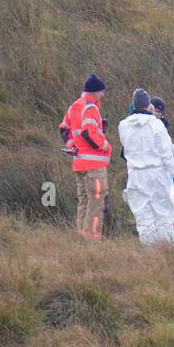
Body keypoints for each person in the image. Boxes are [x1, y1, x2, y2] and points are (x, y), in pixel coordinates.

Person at [119, 88, 174, 245]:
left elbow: (125, 146)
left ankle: (149, 253)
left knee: (143, 216)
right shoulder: (157, 125)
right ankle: (167, 251)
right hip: (156, 173)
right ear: (148, 105)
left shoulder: (123, 125)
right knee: (164, 214)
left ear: (134, 104)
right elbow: (166, 153)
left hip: (135, 175)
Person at [59, 73, 112, 241]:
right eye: (102, 91)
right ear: (94, 91)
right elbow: (88, 133)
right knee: (96, 202)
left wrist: (72, 145)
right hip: (94, 166)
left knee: (83, 201)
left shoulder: (74, 106)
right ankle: (92, 240)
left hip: (79, 164)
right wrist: (105, 146)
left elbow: (64, 129)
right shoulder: (90, 107)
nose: (103, 95)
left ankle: (81, 238)